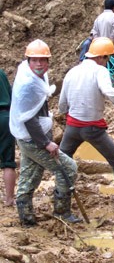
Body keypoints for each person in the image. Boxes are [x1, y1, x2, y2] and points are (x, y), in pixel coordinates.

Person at [59, 37, 114, 203]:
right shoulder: (100, 71)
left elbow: (62, 105)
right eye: (107, 58)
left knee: (63, 163)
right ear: (102, 57)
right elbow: (108, 91)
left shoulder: (72, 72)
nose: (107, 62)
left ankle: (61, 203)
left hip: (72, 127)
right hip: (93, 128)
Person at [10, 39, 80, 226]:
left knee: (30, 175)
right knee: (68, 168)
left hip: (28, 137)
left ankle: (26, 218)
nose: (39, 64)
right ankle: (62, 212)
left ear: (48, 61)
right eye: (35, 60)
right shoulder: (28, 84)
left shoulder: (36, 76)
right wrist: (46, 143)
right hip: (31, 138)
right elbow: (28, 118)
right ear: (28, 60)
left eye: (43, 60)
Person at [91, 0, 114, 82]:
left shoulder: (98, 18)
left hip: (100, 53)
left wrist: (99, 49)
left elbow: (94, 35)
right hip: (112, 52)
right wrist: (108, 51)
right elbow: (113, 37)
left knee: (102, 77)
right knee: (113, 77)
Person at [0, 69, 16, 206]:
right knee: (8, 161)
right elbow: (12, 96)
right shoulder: (1, 73)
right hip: (6, 118)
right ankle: (9, 199)